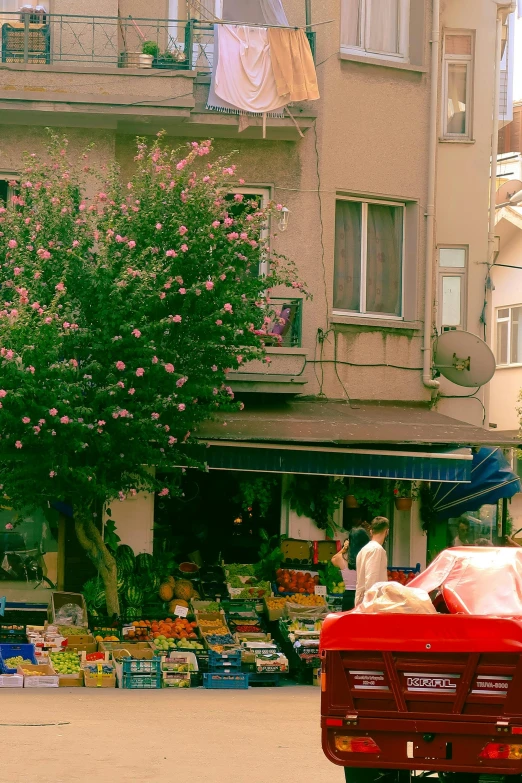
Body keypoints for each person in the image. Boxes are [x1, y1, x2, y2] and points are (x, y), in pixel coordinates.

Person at [331, 527, 370, 612]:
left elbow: (333, 559)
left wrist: (344, 548)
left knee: (347, 624)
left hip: (348, 597)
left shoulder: (342, 558)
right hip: (363, 596)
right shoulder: (367, 557)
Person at [355, 516, 389, 607]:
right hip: (371, 603)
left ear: (371, 532)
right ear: (386, 531)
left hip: (363, 601)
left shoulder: (364, 550)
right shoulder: (376, 549)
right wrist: (370, 603)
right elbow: (371, 579)